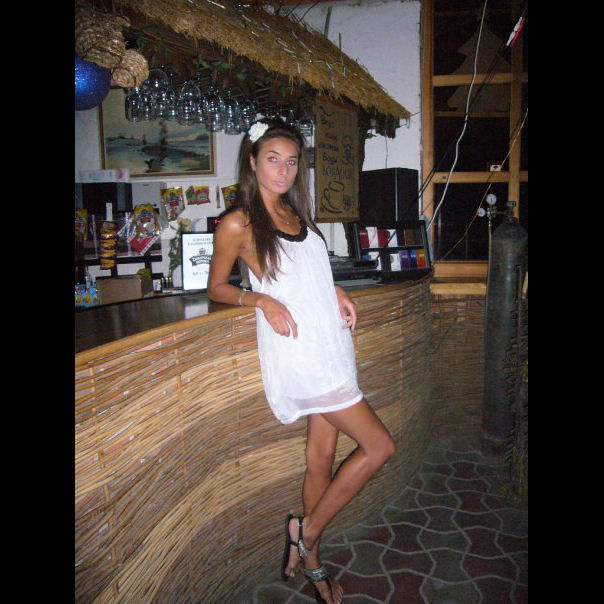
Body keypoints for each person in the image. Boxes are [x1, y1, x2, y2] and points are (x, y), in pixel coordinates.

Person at [207, 119, 395, 604]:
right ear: (252, 161)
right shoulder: (239, 223)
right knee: (379, 447)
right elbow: (217, 288)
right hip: (302, 355)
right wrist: (260, 300)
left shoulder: (296, 215)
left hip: (330, 344)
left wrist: (336, 291)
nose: (283, 170)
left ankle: (313, 567)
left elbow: (308, 274)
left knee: (320, 460)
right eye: (273, 159)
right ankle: (306, 532)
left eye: (292, 162)